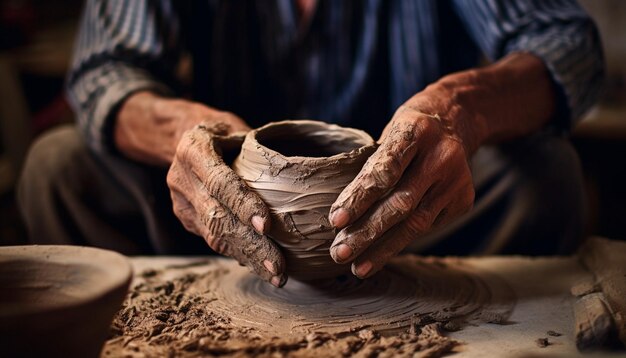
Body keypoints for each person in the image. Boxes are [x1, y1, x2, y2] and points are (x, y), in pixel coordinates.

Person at [18, 0, 603, 287]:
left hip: (404, 216)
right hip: (227, 215)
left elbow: (565, 43)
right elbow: (105, 70)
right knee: (57, 168)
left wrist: (461, 110)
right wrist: (182, 130)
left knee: (544, 176)